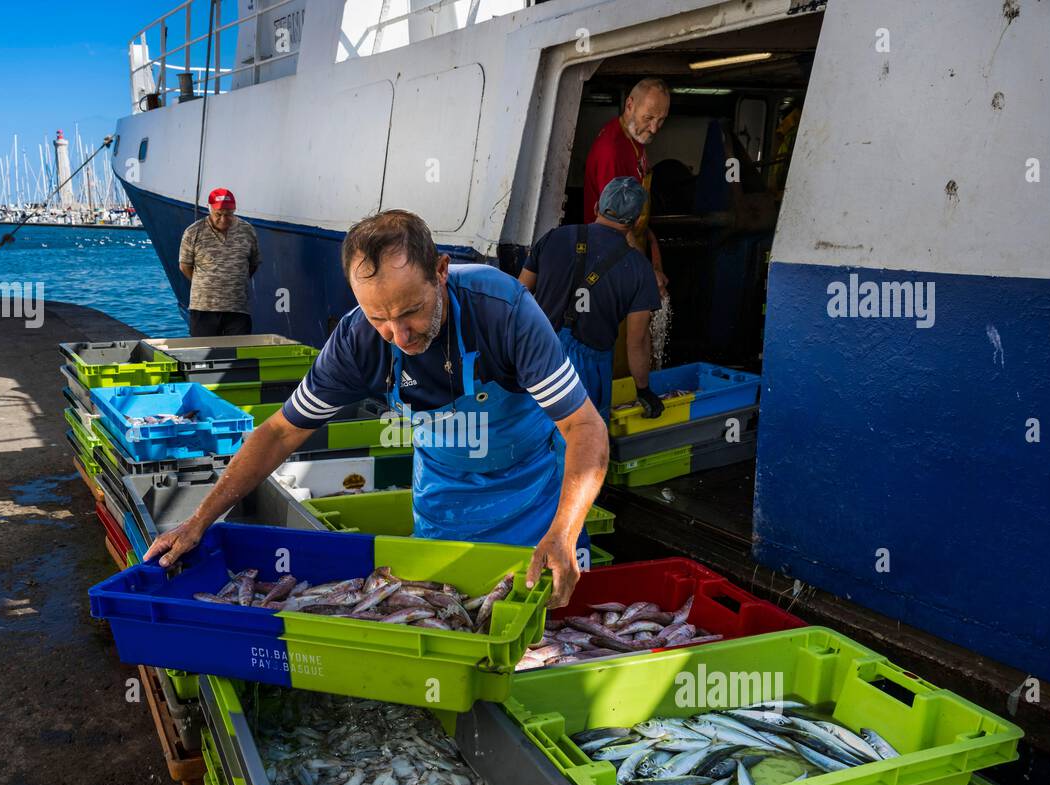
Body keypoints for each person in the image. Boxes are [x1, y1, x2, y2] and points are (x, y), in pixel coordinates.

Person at [145, 210, 609, 607]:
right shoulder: (356, 340)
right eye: (378, 317)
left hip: (538, 498)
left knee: (551, 628)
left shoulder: (502, 310)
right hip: (445, 502)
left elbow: (584, 426)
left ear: (441, 270)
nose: (400, 336)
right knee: (450, 613)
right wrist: (198, 521)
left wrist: (564, 532)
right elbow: (281, 433)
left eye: (412, 311)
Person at [519, 177, 662, 423]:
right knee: (582, 446)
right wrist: (643, 390)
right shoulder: (640, 269)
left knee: (533, 441)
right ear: (637, 221)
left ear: (596, 207)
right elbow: (636, 341)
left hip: (537, 357)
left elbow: (518, 295)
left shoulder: (553, 238)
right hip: (586, 370)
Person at [583, 77, 671, 300]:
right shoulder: (613, 149)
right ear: (630, 105)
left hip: (629, 246)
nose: (654, 128)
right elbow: (616, 223)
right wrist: (644, 272)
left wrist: (651, 243)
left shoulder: (635, 140)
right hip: (610, 256)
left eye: (661, 120)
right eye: (649, 118)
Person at [178, 188, 261, 336]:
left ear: (234, 210)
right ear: (209, 209)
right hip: (203, 308)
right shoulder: (193, 232)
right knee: (204, 354)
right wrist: (206, 283)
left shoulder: (247, 231)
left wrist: (234, 280)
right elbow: (185, 266)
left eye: (228, 214)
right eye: (218, 214)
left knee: (239, 354)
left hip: (237, 308)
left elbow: (253, 264)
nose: (223, 219)